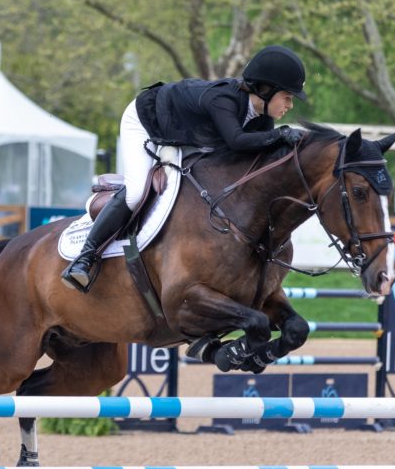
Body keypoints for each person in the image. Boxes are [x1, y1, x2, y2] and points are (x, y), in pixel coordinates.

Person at [61, 45, 308, 292]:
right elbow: (236, 141)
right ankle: (84, 258)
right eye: (287, 97)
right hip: (146, 122)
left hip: (183, 136)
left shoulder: (262, 118)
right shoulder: (223, 99)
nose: (290, 105)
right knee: (136, 192)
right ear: (266, 90)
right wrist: (281, 134)